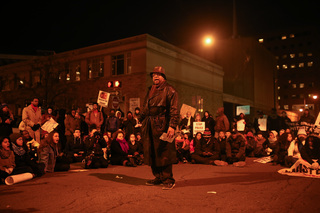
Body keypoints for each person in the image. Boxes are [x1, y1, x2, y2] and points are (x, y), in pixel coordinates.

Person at [139, 66, 179, 190]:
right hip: (150, 124)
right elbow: (146, 107)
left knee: (164, 152)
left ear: (163, 77)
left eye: (158, 74)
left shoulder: (170, 90)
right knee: (152, 151)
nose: (155, 76)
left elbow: (174, 110)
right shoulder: (150, 89)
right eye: (153, 75)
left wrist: (172, 126)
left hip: (163, 124)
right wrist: (140, 119)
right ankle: (158, 176)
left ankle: (168, 179)